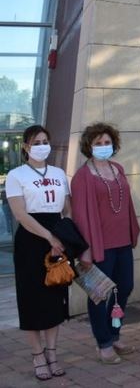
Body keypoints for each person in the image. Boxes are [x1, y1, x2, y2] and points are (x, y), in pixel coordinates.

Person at [72, 122, 140, 364]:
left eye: (107, 142)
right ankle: (103, 344)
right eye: (98, 143)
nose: (103, 146)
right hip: (99, 246)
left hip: (122, 242)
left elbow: (127, 204)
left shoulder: (118, 168)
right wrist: (85, 251)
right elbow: (79, 217)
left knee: (125, 288)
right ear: (89, 146)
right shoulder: (82, 177)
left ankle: (115, 333)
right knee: (100, 295)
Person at [7, 125, 71, 380]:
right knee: (32, 298)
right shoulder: (16, 175)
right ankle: (37, 355)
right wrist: (49, 236)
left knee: (55, 297)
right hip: (32, 241)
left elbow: (67, 207)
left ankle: (52, 353)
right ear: (26, 147)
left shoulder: (58, 173)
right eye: (36, 142)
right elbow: (21, 214)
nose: (42, 145)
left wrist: (64, 237)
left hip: (57, 238)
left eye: (46, 140)